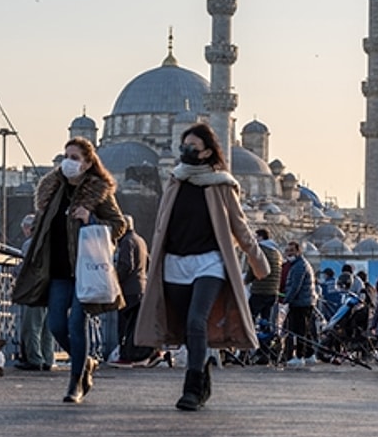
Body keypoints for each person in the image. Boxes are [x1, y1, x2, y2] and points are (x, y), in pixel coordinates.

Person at [135, 123, 268, 411]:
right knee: (186, 327)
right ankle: (203, 370)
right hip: (175, 262)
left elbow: (239, 226)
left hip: (209, 262)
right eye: (184, 146)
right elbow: (162, 224)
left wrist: (258, 260)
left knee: (197, 321)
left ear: (207, 151)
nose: (186, 151)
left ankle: (192, 388)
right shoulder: (175, 180)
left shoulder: (221, 184)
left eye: (192, 147)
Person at [12, 137, 126, 403]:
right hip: (57, 269)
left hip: (85, 269)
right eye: (66, 156)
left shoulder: (98, 191)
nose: (68, 162)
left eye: (74, 158)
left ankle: (75, 382)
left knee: (76, 322)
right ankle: (85, 362)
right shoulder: (52, 189)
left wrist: (91, 218)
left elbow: (119, 225)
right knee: (56, 324)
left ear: (87, 163)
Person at [109, 214, 156, 367]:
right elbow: (148, 262)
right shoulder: (140, 240)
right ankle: (141, 354)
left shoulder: (126, 242)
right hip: (141, 288)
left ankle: (126, 355)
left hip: (128, 290)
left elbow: (126, 265)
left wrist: (114, 280)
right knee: (136, 325)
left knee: (125, 326)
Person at [14, 213, 55, 371]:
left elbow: (26, 268)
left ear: (28, 228)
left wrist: (16, 271)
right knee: (47, 328)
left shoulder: (30, 244)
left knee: (31, 326)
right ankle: (48, 358)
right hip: (50, 289)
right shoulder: (50, 242)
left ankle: (34, 359)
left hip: (34, 290)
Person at [283, 240, 318, 367]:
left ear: (299, 251)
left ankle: (299, 356)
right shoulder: (301, 264)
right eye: (287, 251)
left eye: (292, 251)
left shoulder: (299, 266)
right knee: (306, 330)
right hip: (306, 302)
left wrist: (286, 300)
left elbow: (295, 287)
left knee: (299, 331)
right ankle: (309, 354)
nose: (289, 253)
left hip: (300, 303)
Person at [245, 228, 282, 325]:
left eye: (256, 237)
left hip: (260, 290)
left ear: (261, 237)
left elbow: (254, 268)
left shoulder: (260, 250)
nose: (254, 239)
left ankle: (250, 334)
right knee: (266, 318)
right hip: (273, 291)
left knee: (250, 317)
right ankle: (265, 333)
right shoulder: (276, 252)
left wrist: (245, 281)